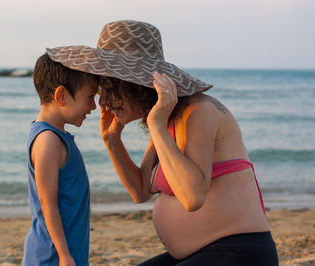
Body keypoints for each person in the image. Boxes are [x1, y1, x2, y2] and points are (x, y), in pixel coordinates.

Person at [45, 20, 279, 265]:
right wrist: (112, 141)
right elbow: (140, 190)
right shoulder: (168, 119)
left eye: (111, 89)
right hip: (199, 254)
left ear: (135, 84)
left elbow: (192, 197)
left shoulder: (200, 112)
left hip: (239, 253)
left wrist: (156, 125)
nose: (104, 101)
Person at [22, 53, 98, 266]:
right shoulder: (48, 141)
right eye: (90, 97)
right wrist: (64, 255)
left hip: (68, 252)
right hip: (51, 257)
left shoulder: (57, 136)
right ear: (62, 96)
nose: (93, 106)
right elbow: (48, 204)